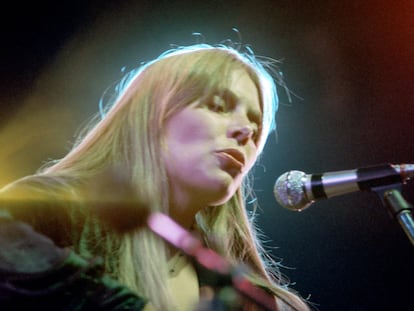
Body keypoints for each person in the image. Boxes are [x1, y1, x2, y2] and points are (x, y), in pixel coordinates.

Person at [0, 43, 311, 311]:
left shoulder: (249, 298)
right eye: (218, 106)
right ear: (152, 116)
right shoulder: (56, 212)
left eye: (256, 127)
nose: (246, 131)